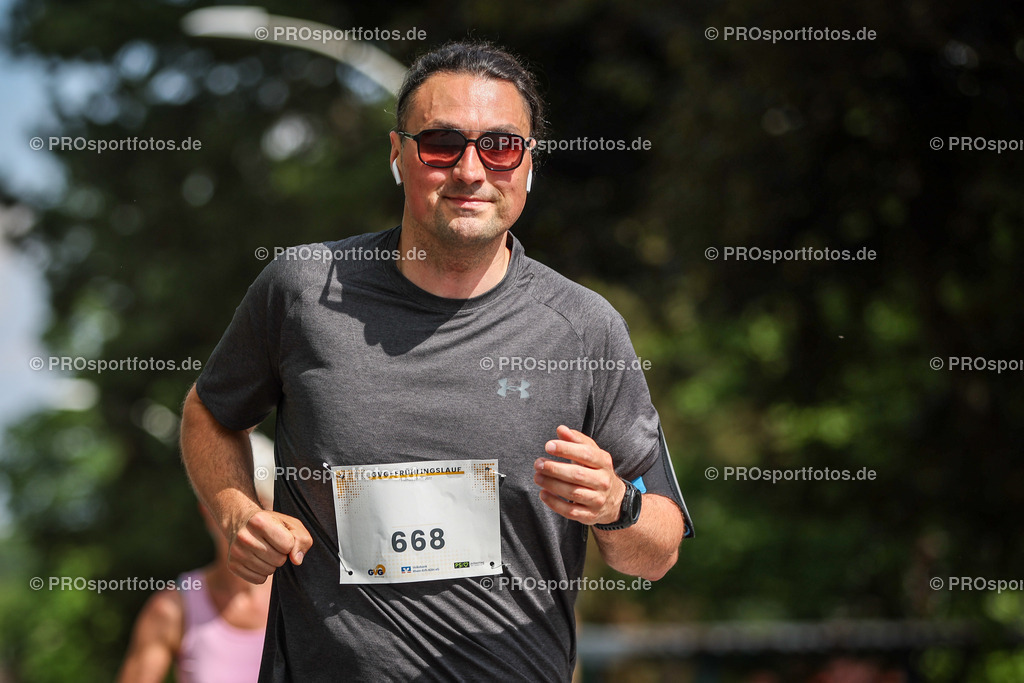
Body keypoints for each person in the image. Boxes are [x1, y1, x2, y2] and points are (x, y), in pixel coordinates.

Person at [180, 40, 693, 682]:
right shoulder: (302, 291)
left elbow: (658, 551)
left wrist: (616, 505)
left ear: (529, 164)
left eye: (501, 146)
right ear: (397, 155)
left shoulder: (585, 329)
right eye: (442, 144)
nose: (472, 171)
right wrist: (238, 515)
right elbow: (209, 412)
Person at [117, 436, 275, 683]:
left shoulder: (311, 600)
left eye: (259, 506)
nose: (245, 523)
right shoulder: (171, 609)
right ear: (206, 511)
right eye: (230, 507)